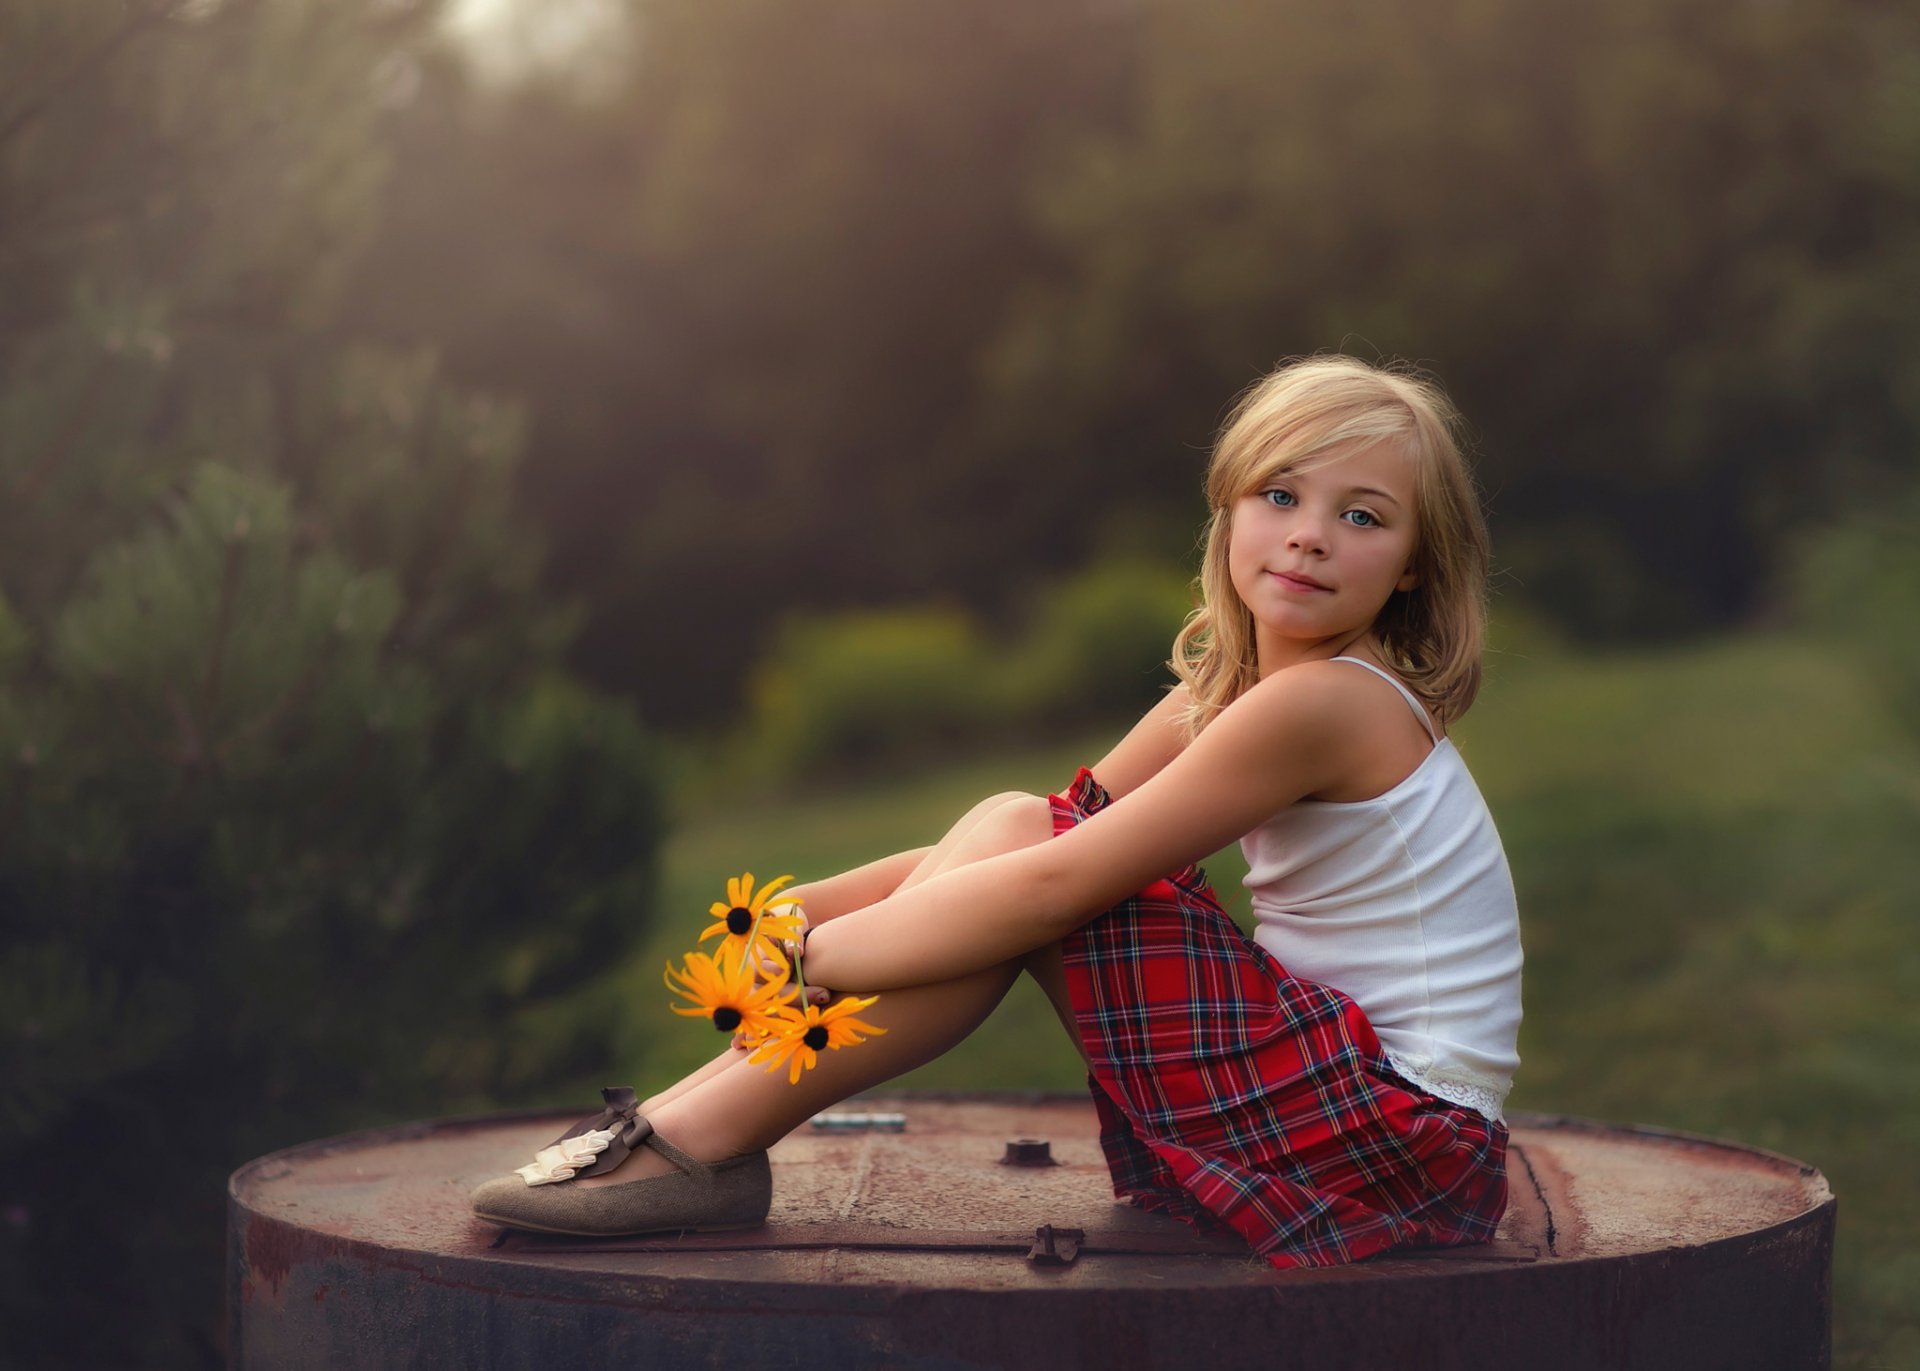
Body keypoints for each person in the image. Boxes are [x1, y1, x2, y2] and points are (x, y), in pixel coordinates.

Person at [470, 354, 1523, 1268]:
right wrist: (804, 908)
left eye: (1362, 517)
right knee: (1026, 818)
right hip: (1329, 1095)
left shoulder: (1327, 702)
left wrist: (812, 958)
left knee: (1035, 868)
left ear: (1413, 565)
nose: (1309, 538)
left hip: (1394, 1139)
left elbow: (1055, 883)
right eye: (1280, 497)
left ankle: (704, 1141)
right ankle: (703, 1122)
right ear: (1230, 510)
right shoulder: (1232, 691)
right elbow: (1056, 825)